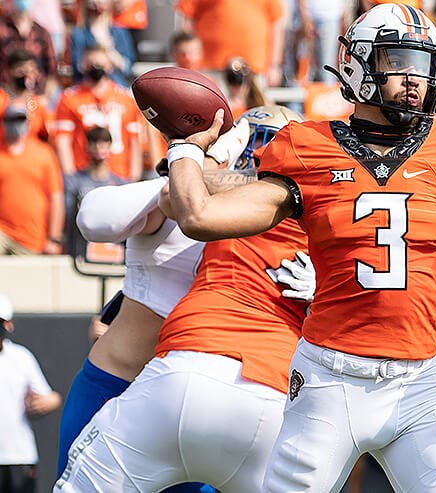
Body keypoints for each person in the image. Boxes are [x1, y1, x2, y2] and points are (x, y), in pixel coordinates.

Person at [165, 5, 436, 492]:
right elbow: (199, 217)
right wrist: (186, 149)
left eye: (424, 64)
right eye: (399, 61)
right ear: (360, 65)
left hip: (418, 382)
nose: (415, 78)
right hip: (328, 378)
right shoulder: (307, 145)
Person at [55, 105, 316, 493]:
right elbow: (93, 218)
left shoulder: (285, 216)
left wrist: (323, 290)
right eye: (255, 140)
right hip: (120, 380)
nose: (264, 153)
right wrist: (204, 166)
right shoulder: (178, 191)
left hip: (205, 386)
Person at [0, 293, 62, 493]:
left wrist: (47, 402)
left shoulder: (21, 357)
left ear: (8, 324)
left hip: (19, 457)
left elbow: (49, 396)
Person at [54, 44, 142, 181]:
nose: (95, 68)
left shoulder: (125, 97)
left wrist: (135, 174)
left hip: (119, 172)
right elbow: (63, 140)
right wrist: (69, 174)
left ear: (109, 66)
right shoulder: (69, 98)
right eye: (91, 64)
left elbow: (134, 140)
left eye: (100, 64)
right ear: (82, 66)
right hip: (83, 173)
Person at [0, 103, 63, 255]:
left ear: (28, 123)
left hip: (33, 238)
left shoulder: (44, 153)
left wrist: (53, 239)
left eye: (20, 119)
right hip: (3, 233)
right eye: (10, 120)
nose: (15, 124)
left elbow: (56, 197)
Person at [63, 126, 128, 256]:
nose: (98, 148)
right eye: (94, 143)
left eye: (103, 143)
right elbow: (68, 217)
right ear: (87, 146)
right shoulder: (74, 181)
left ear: (110, 147)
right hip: (80, 250)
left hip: (113, 252)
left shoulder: (121, 185)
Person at [68, 0, 136, 88]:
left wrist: (109, 51)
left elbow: (127, 68)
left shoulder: (119, 32)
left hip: (116, 86)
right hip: (87, 88)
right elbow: (78, 67)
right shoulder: (79, 34)